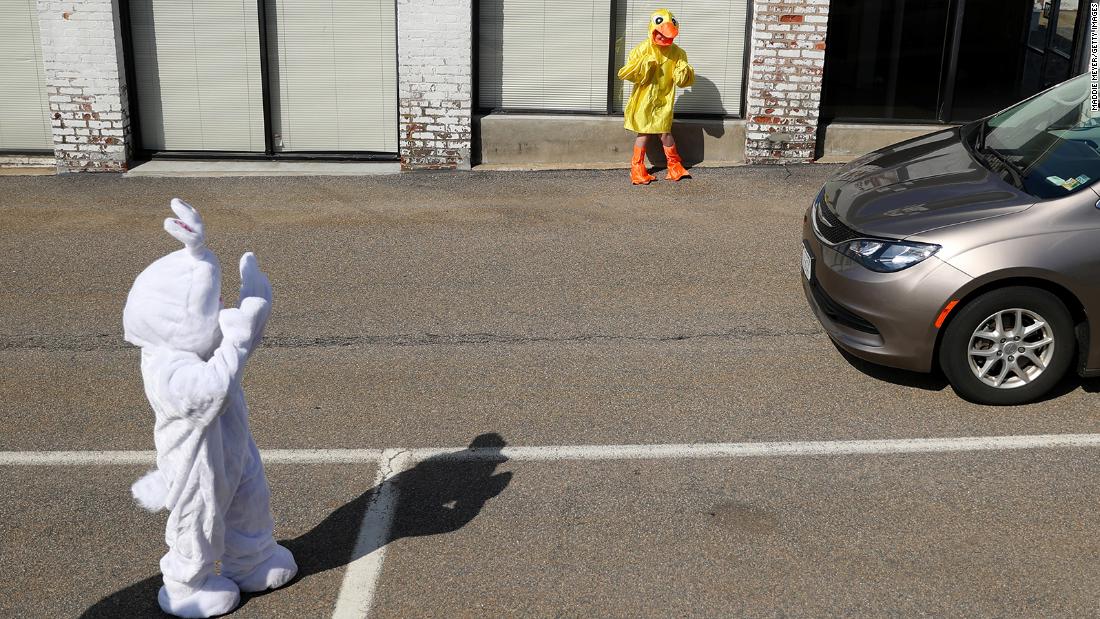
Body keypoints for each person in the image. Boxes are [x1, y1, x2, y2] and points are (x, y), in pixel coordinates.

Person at [123, 199, 297, 618]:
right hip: (194, 463)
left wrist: (254, 308)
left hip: (232, 443)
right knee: (197, 521)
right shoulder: (166, 365)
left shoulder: (197, 342)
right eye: (213, 302)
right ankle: (187, 585)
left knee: (250, 497)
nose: (221, 307)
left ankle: (251, 559)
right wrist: (237, 337)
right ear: (173, 317)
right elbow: (210, 390)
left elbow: (231, 360)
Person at [618, 8, 695, 185]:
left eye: (668, 35)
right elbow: (627, 73)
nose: (663, 38)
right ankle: (636, 168)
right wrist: (644, 64)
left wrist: (682, 70)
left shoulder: (678, 53)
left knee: (665, 132)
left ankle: (674, 165)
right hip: (644, 99)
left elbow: (682, 80)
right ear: (653, 29)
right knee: (644, 132)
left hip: (664, 99)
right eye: (660, 33)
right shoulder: (643, 49)